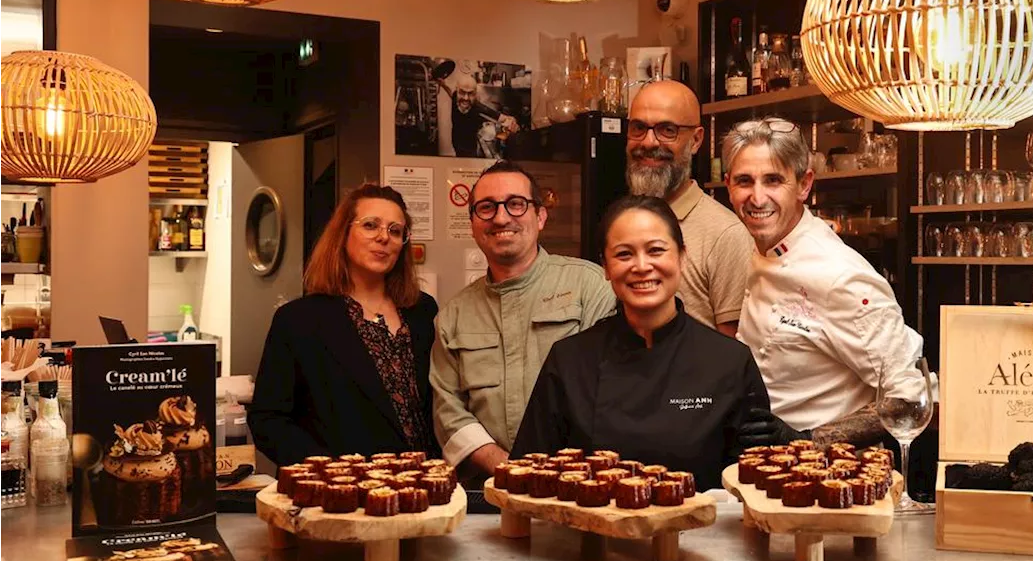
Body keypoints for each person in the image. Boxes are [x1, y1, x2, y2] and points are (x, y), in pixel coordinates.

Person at [511, 196, 772, 488]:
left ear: (681, 257)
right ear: (606, 267)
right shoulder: (570, 360)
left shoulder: (729, 362)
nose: (641, 266)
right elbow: (527, 476)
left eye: (656, 250)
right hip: (591, 531)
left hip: (698, 532)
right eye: (624, 254)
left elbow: (753, 485)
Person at [723, 118, 927, 448]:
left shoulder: (840, 275)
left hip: (831, 478)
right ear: (728, 185)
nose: (757, 198)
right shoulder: (762, 248)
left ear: (804, 185)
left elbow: (909, 398)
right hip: (771, 470)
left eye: (773, 180)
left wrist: (807, 440)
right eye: (745, 181)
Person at [431, 161, 615, 482]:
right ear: (473, 222)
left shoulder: (590, 286)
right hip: (490, 489)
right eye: (487, 208)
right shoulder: (453, 315)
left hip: (580, 486)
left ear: (540, 216)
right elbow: (448, 410)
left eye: (516, 204)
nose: (501, 217)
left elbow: (613, 390)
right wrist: (507, 469)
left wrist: (561, 473)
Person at [249, 184, 439, 466]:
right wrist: (331, 471)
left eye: (395, 230)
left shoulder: (422, 310)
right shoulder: (300, 320)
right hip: (340, 494)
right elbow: (268, 421)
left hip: (418, 486)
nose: (383, 237)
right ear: (343, 234)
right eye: (371, 225)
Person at [625, 80, 754, 336]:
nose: (649, 142)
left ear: (696, 140)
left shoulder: (725, 235)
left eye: (667, 130)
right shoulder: (622, 222)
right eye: (639, 128)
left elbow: (733, 357)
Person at [439, 73, 520, 158]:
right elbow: (451, 94)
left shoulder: (477, 108)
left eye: (470, 93)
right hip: (456, 143)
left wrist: (513, 122)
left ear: (475, 94)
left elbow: (502, 118)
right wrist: (443, 85)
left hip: (470, 149)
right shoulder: (456, 97)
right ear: (457, 90)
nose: (466, 98)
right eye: (462, 92)